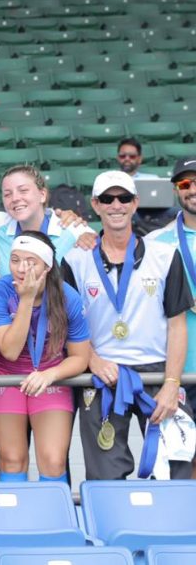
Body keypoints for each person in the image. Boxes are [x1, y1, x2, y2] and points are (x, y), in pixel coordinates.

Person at [62, 170, 194, 480]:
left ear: (135, 203)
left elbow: (177, 325)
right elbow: (66, 324)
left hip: (156, 372)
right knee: (106, 478)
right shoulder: (75, 260)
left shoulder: (165, 255)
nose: (116, 205)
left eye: (123, 198)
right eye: (107, 199)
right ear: (95, 205)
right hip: (102, 375)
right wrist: (92, 360)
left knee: (175, 471)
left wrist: (172, 384)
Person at [0, 232, 92, 482]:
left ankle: (53, 508)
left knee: (53, 461)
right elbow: (9, 351)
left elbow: (80, 358)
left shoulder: (68, 296)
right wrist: (26, 299)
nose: (21, 269)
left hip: (49, 376)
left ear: (47, 265)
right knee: (12, 459)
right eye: (15, 260)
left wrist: (50, 374)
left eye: (31, 262)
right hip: (5, 376)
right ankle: (13, 508)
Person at [147, 157, 196, 401]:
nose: (193, 190)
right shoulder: (155, 243)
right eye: (185, 184)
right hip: (178, 375)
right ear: (176, 189)